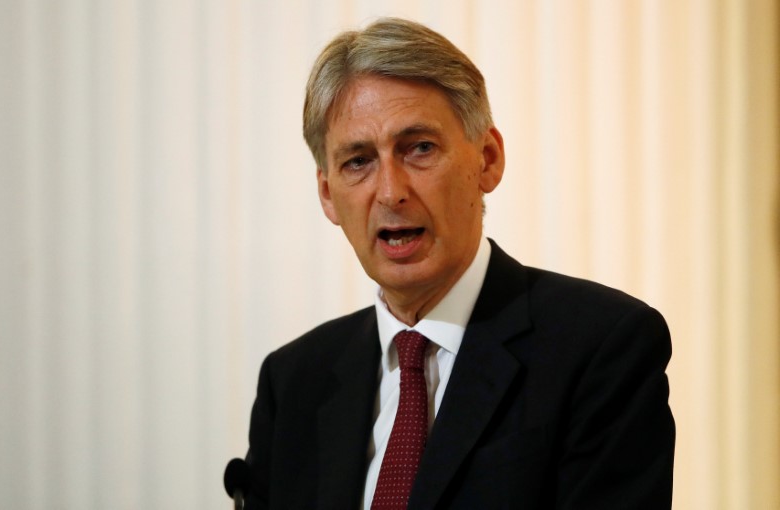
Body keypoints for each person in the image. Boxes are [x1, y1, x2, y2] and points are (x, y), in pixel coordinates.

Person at [229, 17, 674, 509]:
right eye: (358, 161)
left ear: (487, 159)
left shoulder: (602, 347)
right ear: (328, 194)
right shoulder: (294, 381)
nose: (392, 192)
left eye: (419, 148)